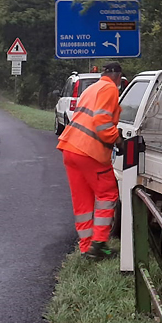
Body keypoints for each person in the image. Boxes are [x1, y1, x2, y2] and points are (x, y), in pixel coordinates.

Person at [58, 61, 124, 260]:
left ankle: (86, 247)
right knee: (108, 194)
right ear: (118, 76)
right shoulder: (110, 89)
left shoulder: (92, 88)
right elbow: (102, 123)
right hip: (90, 151)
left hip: (70, 147)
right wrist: (118, 139)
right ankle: (99, 244)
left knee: (83, 201)